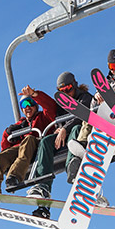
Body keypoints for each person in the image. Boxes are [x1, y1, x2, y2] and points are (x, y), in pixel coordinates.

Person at [0, 85, 57, 207]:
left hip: (38, 146)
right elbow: (5, 147)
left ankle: (14, 177)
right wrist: (8, 132)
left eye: (30, 103)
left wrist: (35, 95)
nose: (27, 107)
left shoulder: (43, 117)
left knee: (29, 139)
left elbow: (51, 107)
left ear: (36, 105)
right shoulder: (21, 124)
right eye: (24, 105)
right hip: (22, 149)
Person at [27, 71, 92, 214]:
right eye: (62, 91)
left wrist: (64, 128)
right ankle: (43, 186)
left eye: (68, 88)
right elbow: (58, 118)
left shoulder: (84, 97)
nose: (66, 93)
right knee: (45, 141)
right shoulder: (61, 104)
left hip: (77, 135)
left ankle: (72, 165)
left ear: (74, 85)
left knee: (75, 129)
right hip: (62, 137)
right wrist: (59, 129)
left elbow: (82, 115)